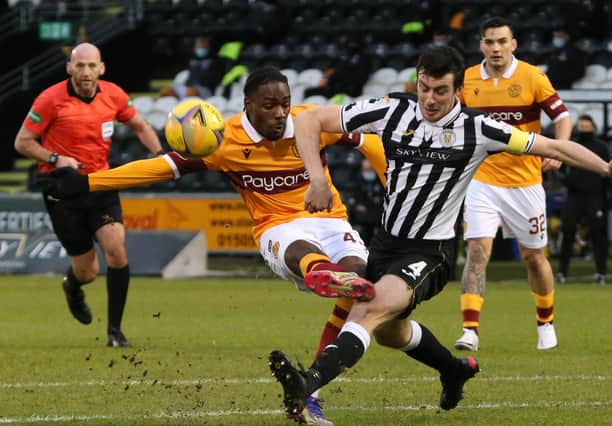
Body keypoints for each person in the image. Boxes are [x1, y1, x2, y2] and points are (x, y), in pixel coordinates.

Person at [265, 45, 612, 417]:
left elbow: (551, 145)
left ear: (458, 89)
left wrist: (606, 168)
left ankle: (306, 384)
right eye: (424, 87)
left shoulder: (477, 128)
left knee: (368, 307)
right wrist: (317, 180)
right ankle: (453, 370)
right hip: (385, 244)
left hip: (430, 252)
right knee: (389, 332)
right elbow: (311, 121)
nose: (429, 98)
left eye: (440, 90)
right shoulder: (393, 109)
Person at [37, 66, 386, 426]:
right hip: (276, 227)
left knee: (359, 280)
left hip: (330, 220)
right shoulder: (223, 141)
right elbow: (159, 167)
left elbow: (369, 140)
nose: (280, 113)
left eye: (285, 103)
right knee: (299, 250)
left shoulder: (309, 124)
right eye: (270, 105)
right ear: (248, 105)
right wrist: (89, 183)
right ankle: (320, 274)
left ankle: (310, 391)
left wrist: (390, 184)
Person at [14, 42, 164, 348]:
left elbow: (139, 125)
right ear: (69, 68)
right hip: (62, 189)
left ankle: (115, 332)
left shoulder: (114, 95)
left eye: (91, 66)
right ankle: (72, 285)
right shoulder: (50, 100)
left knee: (116, 249)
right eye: (79, 65)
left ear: (101, 68)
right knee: (88, 271)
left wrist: (164, 157)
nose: (85, 72)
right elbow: (22, 142)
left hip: (100, 184)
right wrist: (56, 158)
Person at [454, 16, 574, 352]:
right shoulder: (467, 81)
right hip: (482, 180)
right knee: (477, 251)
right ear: (481, 45)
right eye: (489, 42)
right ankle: (470, 330)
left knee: (534, 257)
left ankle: (545, 322)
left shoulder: (532, 77)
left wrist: (560, 150)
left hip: (525, 182)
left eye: (501, 41)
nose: (495, 48)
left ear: (513, 44)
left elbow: (562, 116)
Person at [557, 115, 612, 284]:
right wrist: (566, 180)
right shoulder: (572, 146)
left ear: (594, 128)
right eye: (581, 127)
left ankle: (601, 272)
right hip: (574, 196)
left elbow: (608, 171)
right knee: (567, 232)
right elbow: (560, 167)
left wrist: (610, 193)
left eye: (587, 127)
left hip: (594, 196)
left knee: (598, 234)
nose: (584, 130)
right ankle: (562, 272)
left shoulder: (601, 147)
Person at [159, 35, 228, 100]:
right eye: (198, 45)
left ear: (209, 46)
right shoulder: (191, 60)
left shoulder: (215, 61)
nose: (200, 47)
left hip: (206, 90)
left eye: (203, 45)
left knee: (190, 92)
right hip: (188, 87)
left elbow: (217, 80)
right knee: (165, 91)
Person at [347, 158, 385, 245]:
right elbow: (353, 198)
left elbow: (383, 196)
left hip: (376, 210)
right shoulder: (356, 180)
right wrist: (357, 205)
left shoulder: (380, 180)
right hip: (362, 211)